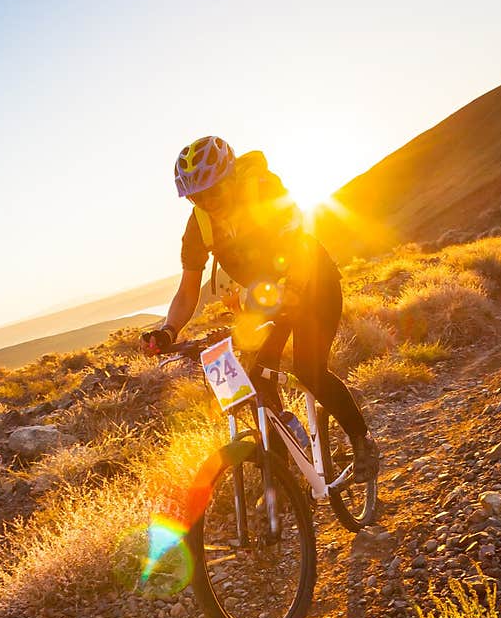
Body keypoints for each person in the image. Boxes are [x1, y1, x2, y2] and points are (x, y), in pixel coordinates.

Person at [140, 136, 379, 482]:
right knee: (254, 374)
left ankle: (362, 440)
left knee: (309, 369)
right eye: (196, 196)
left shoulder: (263, 191)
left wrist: (294, 289)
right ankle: (283, 474)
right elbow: (188, 289)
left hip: (314, 285)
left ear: (231, 178)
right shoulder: (200, 223)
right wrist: (167, 331)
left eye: (213, 191)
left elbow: (297, 244)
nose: (207, 202)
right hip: (267, 298)